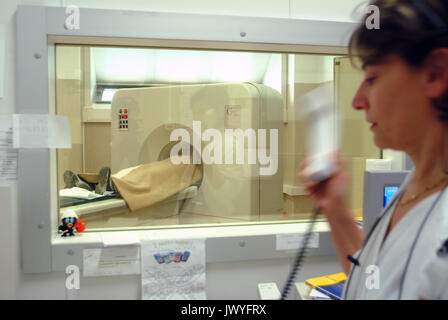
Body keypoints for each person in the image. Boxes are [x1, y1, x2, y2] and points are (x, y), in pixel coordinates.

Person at [301, 0, 448, 299]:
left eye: (372, 78)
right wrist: (336, 210)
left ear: (435, 73)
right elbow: (374, 283)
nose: (357, 101)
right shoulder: (417, 184)